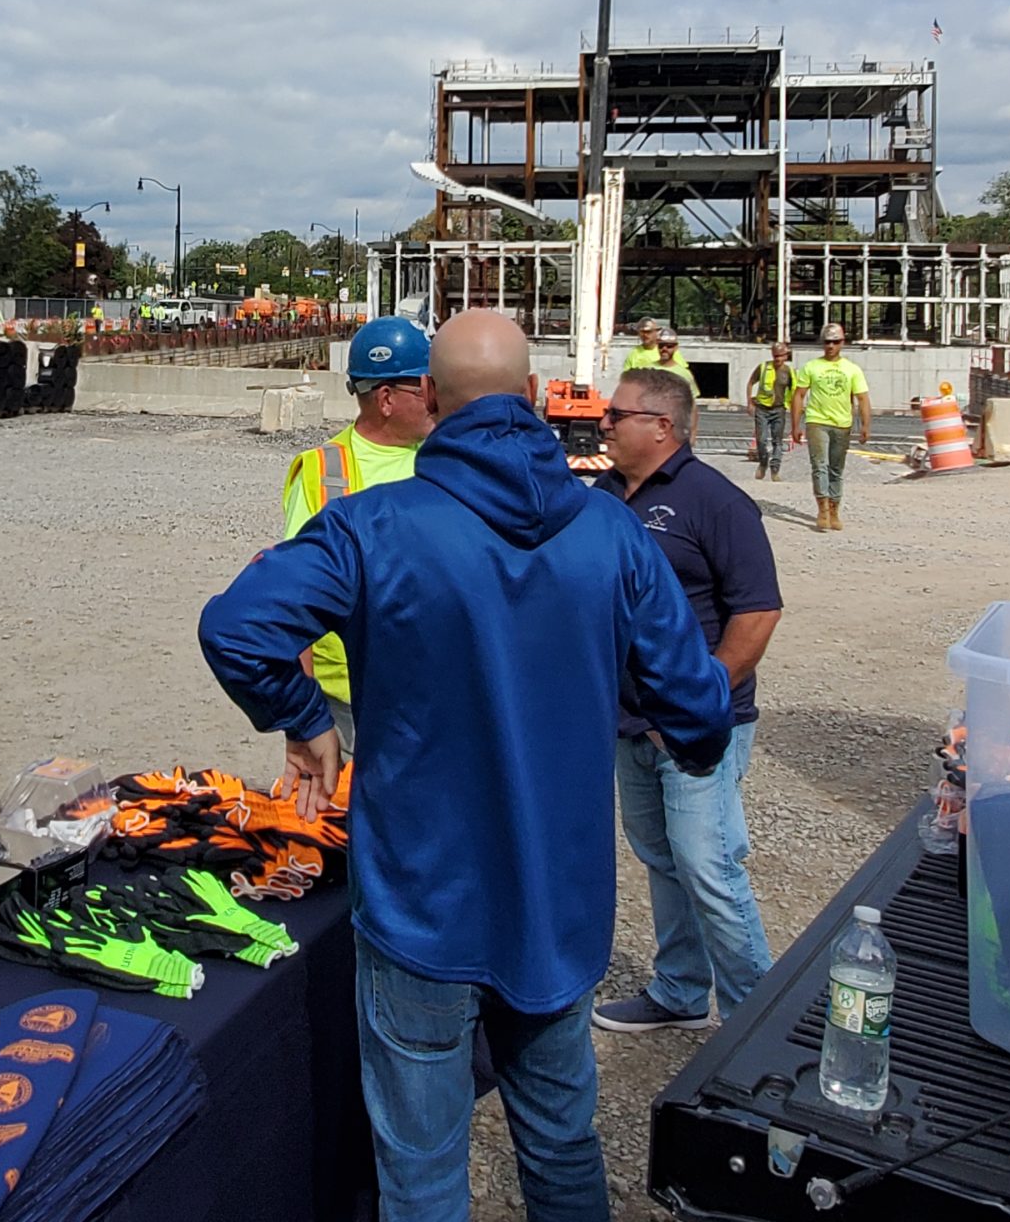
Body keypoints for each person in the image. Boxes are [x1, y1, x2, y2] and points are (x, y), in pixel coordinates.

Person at [201, 311, 732, 1222]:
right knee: (563, 1142)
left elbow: (237, 626)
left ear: (435, 403)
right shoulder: (610, 531)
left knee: (423, 1166)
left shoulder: (373, 526)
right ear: (531, 398)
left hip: (422, 904)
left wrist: (300, 719)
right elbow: (700, 710)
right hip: (557, 905)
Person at [588, 368, 782, 1035]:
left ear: (662, 426)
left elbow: (756, 613)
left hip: (695, 729)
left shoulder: (715, 502)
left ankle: (757, 1026)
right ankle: (679, 991)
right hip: (627, 722)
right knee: (663, 858)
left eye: (618, 415)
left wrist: (699, 699)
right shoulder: (604, 495)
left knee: (709, 867)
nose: (604, 423)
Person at [278, 315, 433, 750]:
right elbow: (294, 600)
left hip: (429, 694)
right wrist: (304, 720)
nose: (435, 397)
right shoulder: (321, 471)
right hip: (342, 704)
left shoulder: (446, 456)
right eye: (424, 386)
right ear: (385, 398)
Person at [789, 322, 871, 531]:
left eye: (835, 342)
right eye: (827, 342)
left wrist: (865, 425)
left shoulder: (852, 369)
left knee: (836, 468)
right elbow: (799, 395)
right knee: (819, 466)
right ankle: (823, 508)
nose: (831, 346)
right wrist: (795, 425)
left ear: (842, 343)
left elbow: (862, 398)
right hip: (817, 421)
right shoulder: (811, 367)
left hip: (842, 423)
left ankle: (835, 508)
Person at [744, 340, 794, 482]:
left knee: (777, 441)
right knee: (761, 439)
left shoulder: (788, 372)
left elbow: (795, 390)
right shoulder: (764, 368)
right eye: (775, 356)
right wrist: (749, 402)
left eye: (781, 356)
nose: (777, 359)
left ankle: (775, 469)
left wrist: (792, 406)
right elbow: (750, 382)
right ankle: (763, 463)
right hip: (762, 409)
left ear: (785, 356)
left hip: (779, 410)